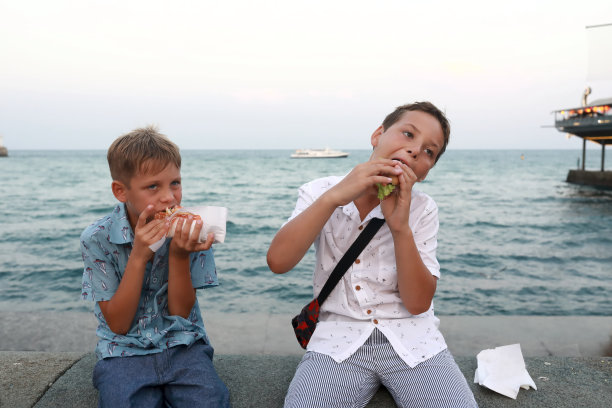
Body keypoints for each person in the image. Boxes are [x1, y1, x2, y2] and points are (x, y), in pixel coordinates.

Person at [267, 102, 477, 408]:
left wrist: (400, 227)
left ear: (426, 172)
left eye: (429, 152)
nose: (416, 151)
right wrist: (335, 197)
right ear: (377, 135)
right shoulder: (319, 191)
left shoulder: (422, 209)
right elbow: (278, 262)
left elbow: (418, 303)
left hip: (413, 339)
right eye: (408, 134)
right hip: (337, 339)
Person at [80, 126, 230, 407]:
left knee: (211, 401)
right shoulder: (98, 238)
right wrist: (138, 256)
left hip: (182, 343)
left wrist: (179, 255)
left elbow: (181, 313)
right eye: (153, 186)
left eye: (175, 183)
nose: (169, 197)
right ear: (121, 191)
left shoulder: (192, 230)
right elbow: (119, 325)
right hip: (122, 350)